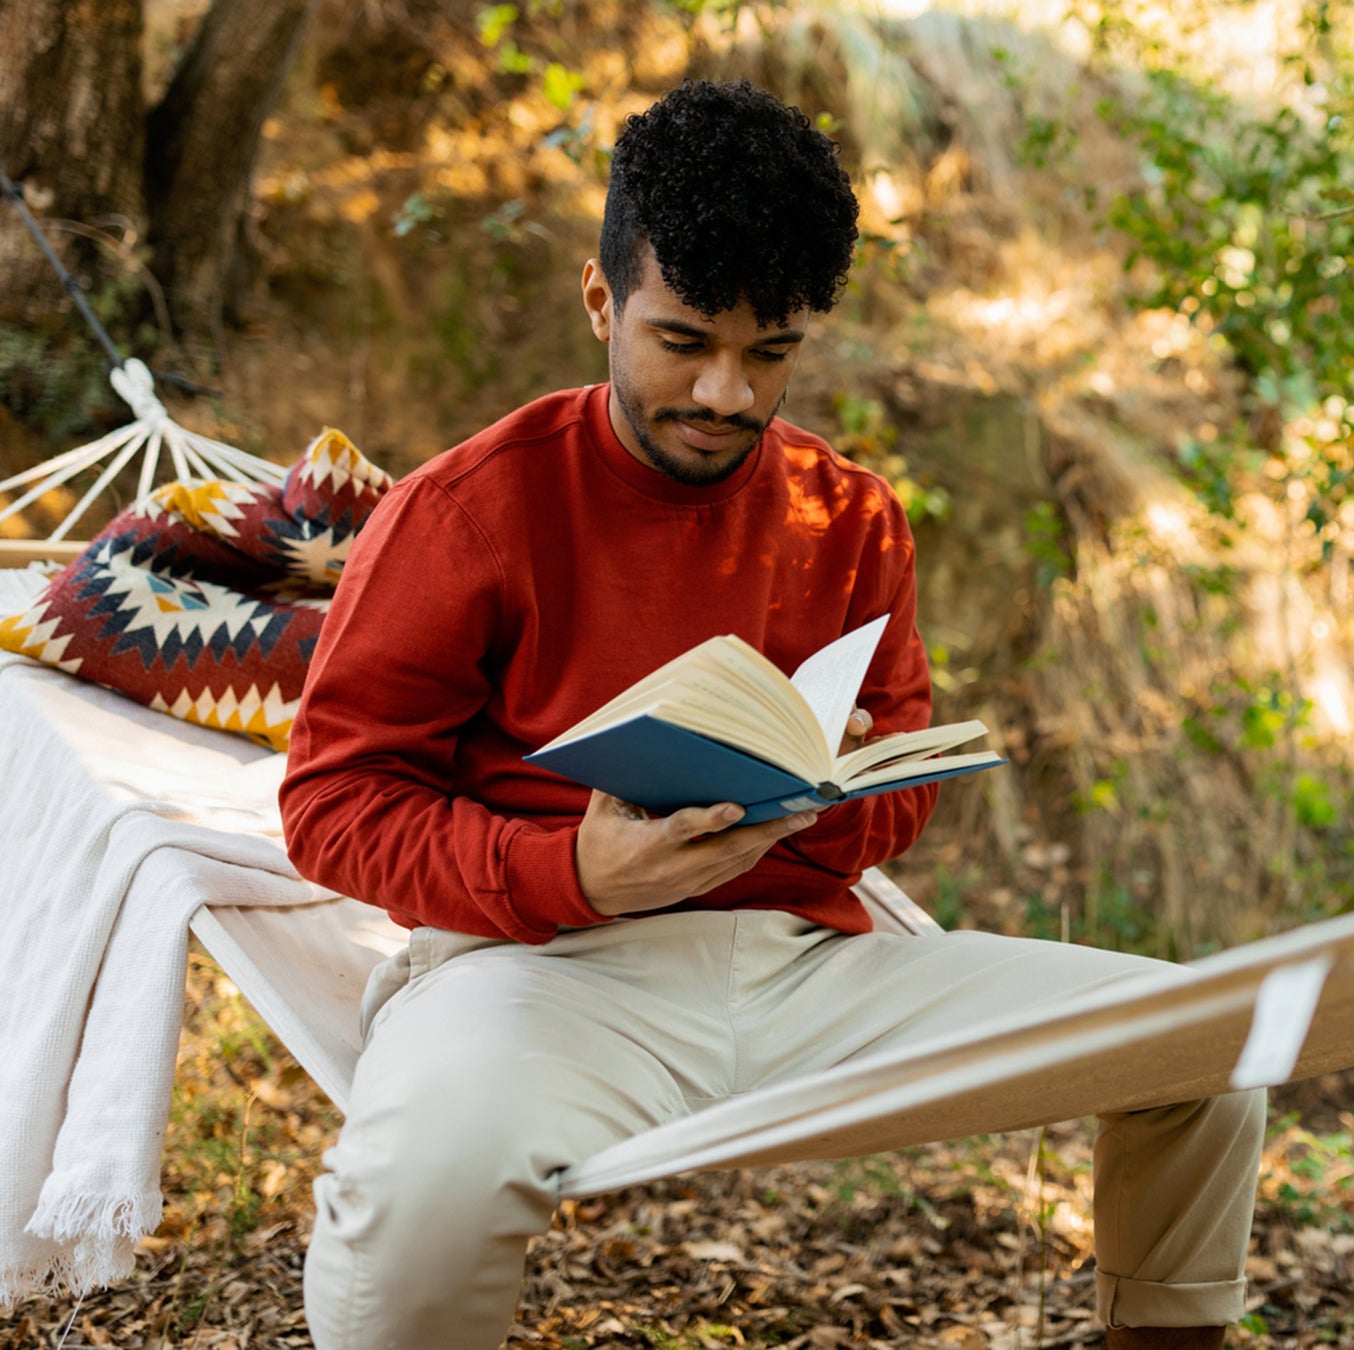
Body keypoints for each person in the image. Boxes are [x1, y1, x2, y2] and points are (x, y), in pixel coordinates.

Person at [279, 78, 1263, 1350]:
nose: (730, 396)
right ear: (600, 302)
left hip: (806, 969)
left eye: (772, 351)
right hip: (533, 977)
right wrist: (571, 867)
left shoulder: (850, 516)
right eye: (684, 342)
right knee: (420, 1187)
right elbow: (333, 806)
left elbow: (895, 793)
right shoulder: (473, 511)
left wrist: (840, 794)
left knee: (1207, 1048)